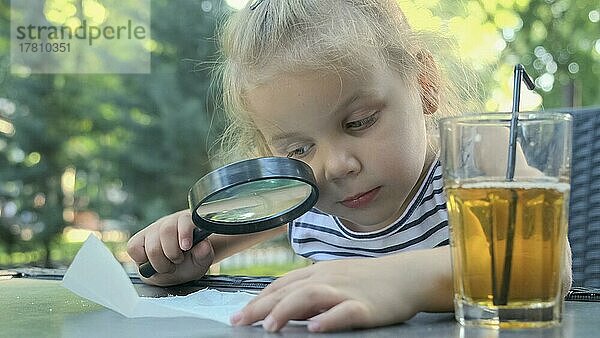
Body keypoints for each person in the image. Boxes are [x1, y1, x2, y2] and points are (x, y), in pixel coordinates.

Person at [127, 0, 572, 333]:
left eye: (359, 122)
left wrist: (401, 281)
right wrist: (182, 255)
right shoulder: (302, 196)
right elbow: (207, 238)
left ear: (425, 85)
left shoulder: (476, 156)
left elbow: (548, 261)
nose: (335, 166)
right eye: (298, 149)